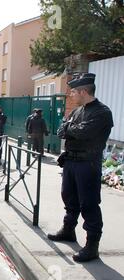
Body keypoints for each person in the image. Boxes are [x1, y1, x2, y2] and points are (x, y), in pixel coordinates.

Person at [48, 73, 114, 263]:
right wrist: (70, 128)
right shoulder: (77, 111)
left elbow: (84, 132)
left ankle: (92, 245)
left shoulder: (102, 112)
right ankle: (68, 230)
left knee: (89, 204)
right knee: (69, 198)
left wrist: (69, 128)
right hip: (71, 162)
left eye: (74, 91)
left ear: (84, 91)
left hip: (88, 164)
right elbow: (62, 130)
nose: (71, 95)